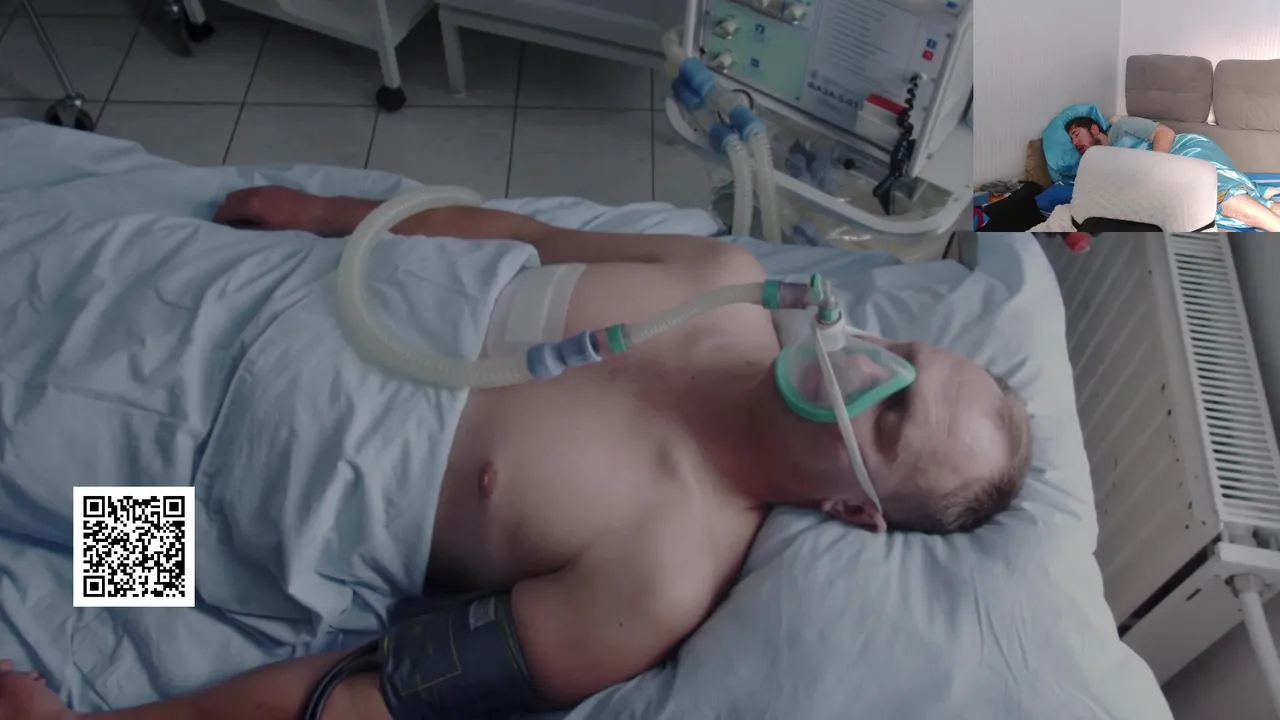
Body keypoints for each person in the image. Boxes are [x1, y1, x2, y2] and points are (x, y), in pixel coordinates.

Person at [0, 187, 1032, 720]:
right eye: (900, 355)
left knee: (28, 480)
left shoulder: (658, 578)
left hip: (200, 498)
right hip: (243, 289)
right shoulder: (714, 274)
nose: (865, 369)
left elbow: (372, 694)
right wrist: (322, 216)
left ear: (854, 510)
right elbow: (520, 234)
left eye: (889, 418)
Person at [1065, 115, 1280, 231]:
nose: (1075, 142)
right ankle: (1267, 207)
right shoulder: (1101, 162)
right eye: (1071, 140)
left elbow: (1165, 133)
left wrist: (1157, 169)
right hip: (1165, 178)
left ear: (1094, 129)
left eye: (1076, 134)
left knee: (1223, 198)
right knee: (1203, 212)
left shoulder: (1121, 127)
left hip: (1183, 150)